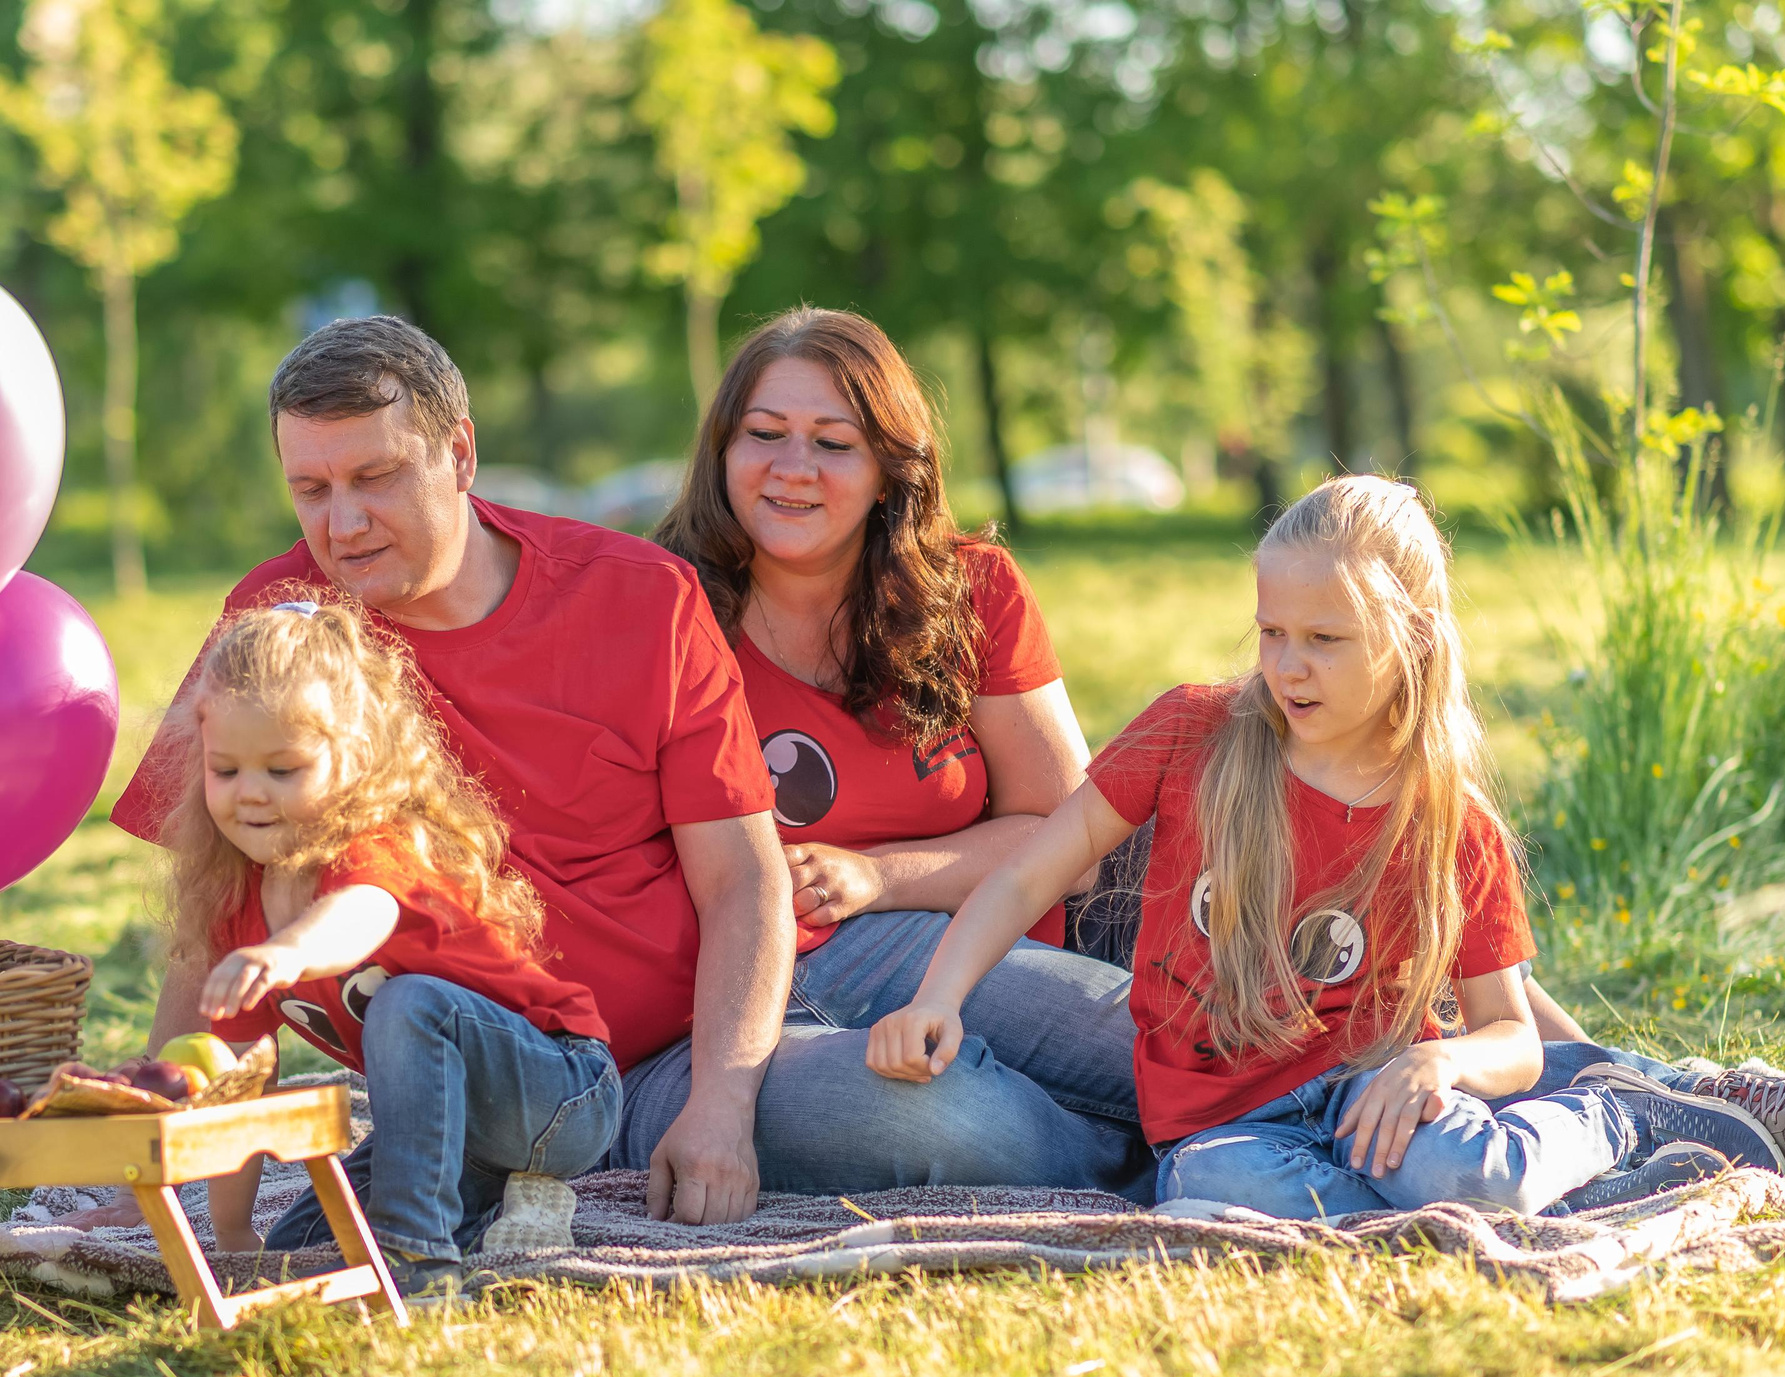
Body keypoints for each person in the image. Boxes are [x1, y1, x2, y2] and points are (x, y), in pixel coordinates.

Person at [868, 474, 1785, 1217]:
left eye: (1325, 639)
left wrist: (1438, 1072)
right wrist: (936, 996)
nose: (1287, 668)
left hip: (1370, 1089)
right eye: (1270, 633)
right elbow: (1031, 870)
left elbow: (1510, 1036)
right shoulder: (1193, 732)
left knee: (1458, 1174)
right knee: (1213, 1199)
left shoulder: (1447, 822)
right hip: (1224, 1129)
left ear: (1411, 641)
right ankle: (1587, 1186)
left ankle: (1624, 1117)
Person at [94, 315, 793, 1233]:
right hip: (453, 1091)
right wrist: (152, 1170)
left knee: (944, 1121)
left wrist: (720, 1110)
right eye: (310, 489)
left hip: (675, 1056)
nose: (341, 525)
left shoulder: (642, 596)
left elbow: (744, 879)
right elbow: (211, 902)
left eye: (375, 478)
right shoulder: (278, 621)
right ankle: (482, 1202)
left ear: (459, 454)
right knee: (318, 1246)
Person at [636, 307, 1151, 1197]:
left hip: (962, 939)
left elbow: (1069, 842)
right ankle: (1147, 1164)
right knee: (949, 1119)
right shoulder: (658, 609)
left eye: (834, 444)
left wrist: (876, 877)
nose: (792, 468)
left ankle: (1384, 1108)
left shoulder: (971, 589)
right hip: (763, 971)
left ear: (888, 472)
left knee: (1146, 1043)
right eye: (764, 434)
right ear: (721, 453)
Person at [163, 602, 618, 1298]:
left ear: (355, 762)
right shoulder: (240, 908)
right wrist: (233, 1240)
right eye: (226, 770)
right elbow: (239, 1086)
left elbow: (362, 914)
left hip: (560, 1091)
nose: (250, 794)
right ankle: (510, 1209)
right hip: (455, 1128)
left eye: (283, 770)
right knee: (305, 1251)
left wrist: (290, 953)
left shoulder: (379, 846)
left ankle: (420, 1265)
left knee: (408, 1003)